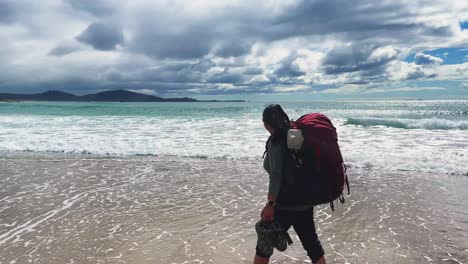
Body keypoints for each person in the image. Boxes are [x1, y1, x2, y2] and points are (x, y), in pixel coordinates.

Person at [253, 104, 326, 264]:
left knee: (264, 247)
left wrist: (270, 204)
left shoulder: (276, 141)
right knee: (313, 247)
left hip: (284, 205)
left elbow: (276, 175)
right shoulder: (297, 137)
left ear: (265, 123)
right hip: (305, 203)